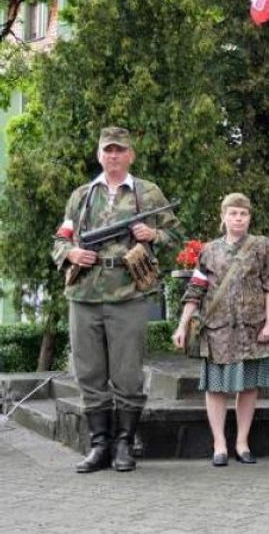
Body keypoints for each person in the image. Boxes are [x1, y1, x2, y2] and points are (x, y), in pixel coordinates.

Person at [51, 126, 181, 473]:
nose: (113, 156)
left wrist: (153, 234)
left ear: (130, 155)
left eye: (120, 150)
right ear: (99, 155)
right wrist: (73, 253)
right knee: (90, 372)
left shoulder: (147, 194)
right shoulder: (82, 196)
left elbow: (176, 235)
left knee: (127, 374)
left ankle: (124, 443)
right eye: (108, 150)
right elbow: (60, 240)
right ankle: (99, 445)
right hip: (84, 293)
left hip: (128, 292)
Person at [172, 193, 269, 466]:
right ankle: (219, 444)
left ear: (249, 217)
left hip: (251, 328)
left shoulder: (261, 246)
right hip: (218, 330)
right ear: (223, 217)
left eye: (243, 214)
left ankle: (242, 443)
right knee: (216, 388)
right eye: (233, 213)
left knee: (248, 387)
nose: (238, 219)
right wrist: (182, 325)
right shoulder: (209, 250)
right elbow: (196, 290)